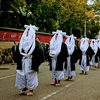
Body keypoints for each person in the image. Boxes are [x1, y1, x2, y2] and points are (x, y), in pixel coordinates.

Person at [15, 24, 45, 96]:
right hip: (23, 61)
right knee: (21, 74)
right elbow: (17, 52)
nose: (27, 33)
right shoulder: (22, 42)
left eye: (29, 31)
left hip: (31, 61)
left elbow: (40, 53)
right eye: (26, 31)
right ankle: (24, 87)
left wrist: (36, 63)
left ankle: (31, 89)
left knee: (30, 75)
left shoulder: (36, 43)